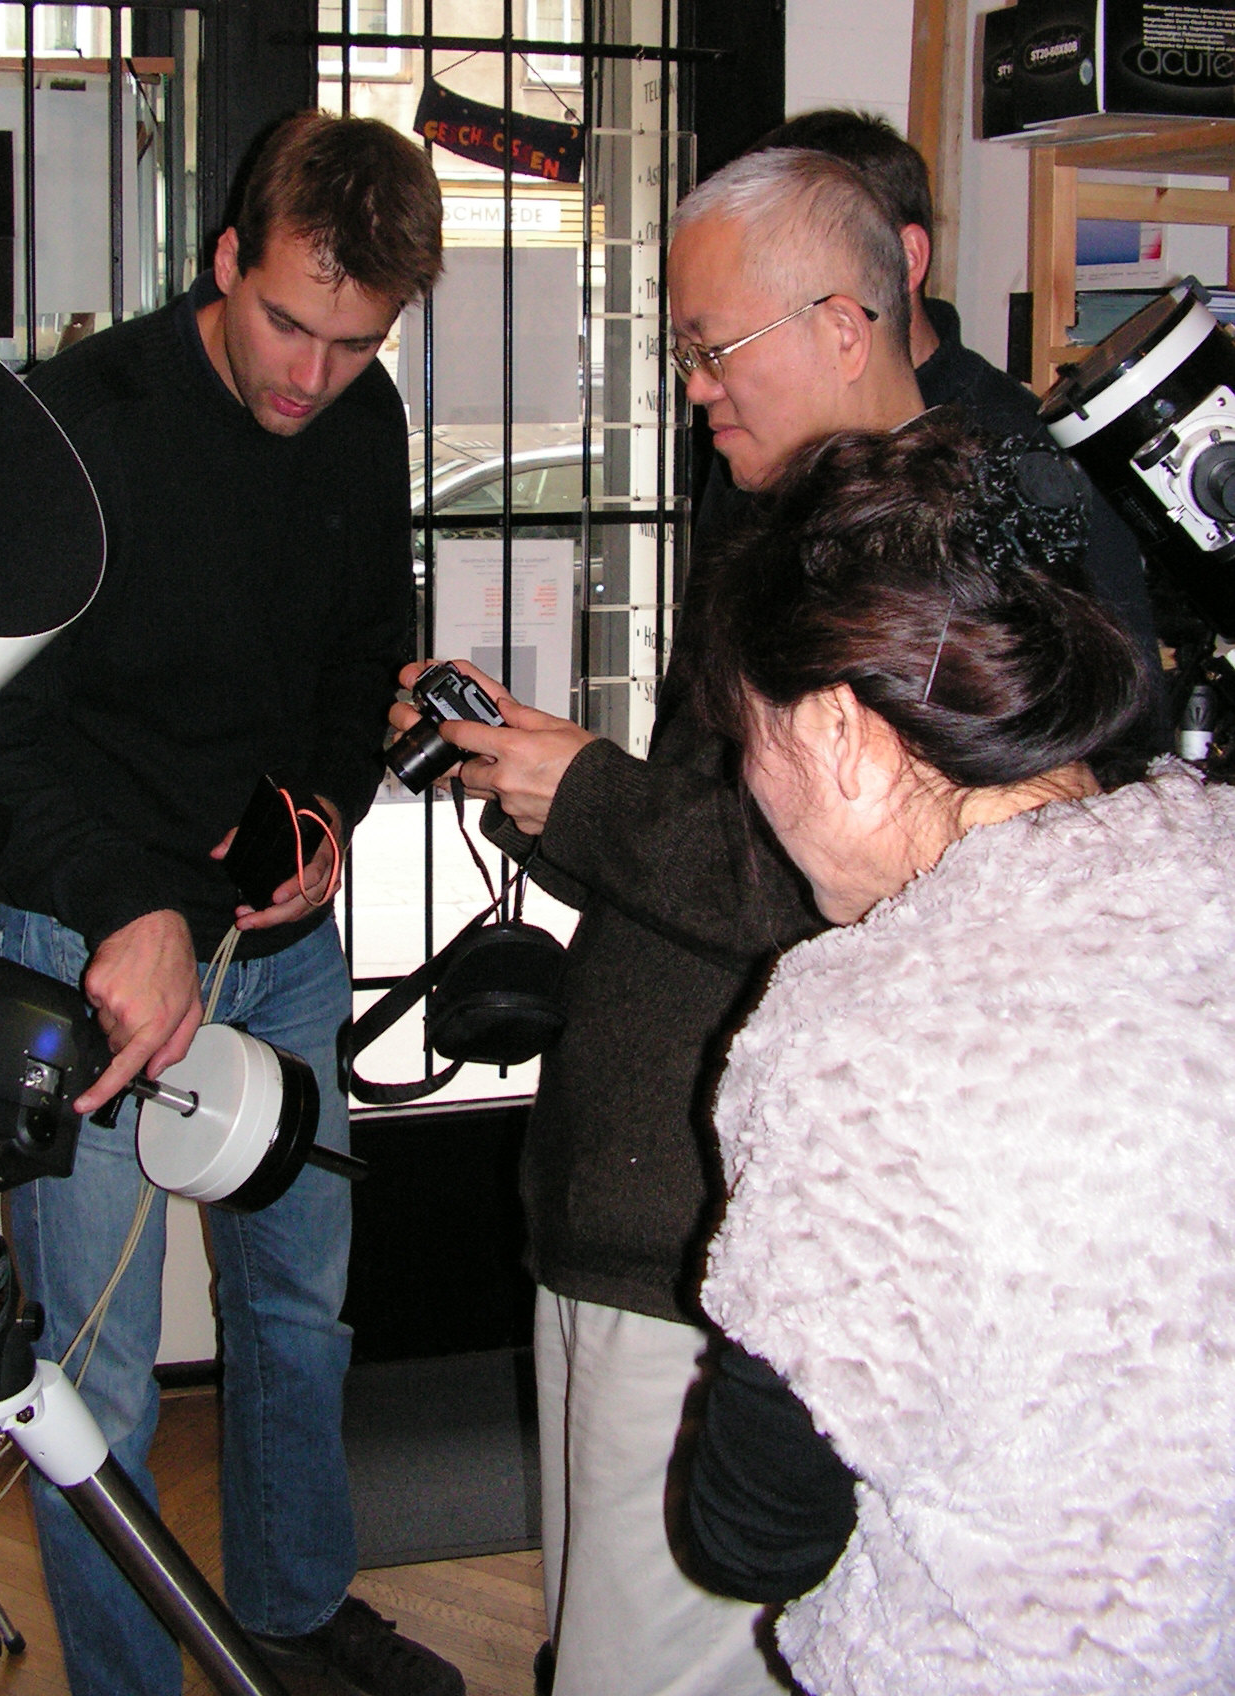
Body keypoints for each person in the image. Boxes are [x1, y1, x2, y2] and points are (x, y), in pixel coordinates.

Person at [392, 148, 934, 1696]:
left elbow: (828, 888)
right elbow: (702, 852)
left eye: (712, 347)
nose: (691, 389)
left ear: (843, 323)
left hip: (712, 1243)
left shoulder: (926, 565)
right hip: (621, 1210)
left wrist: (586, 793)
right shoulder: (787, 531)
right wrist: (544, 791)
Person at [0, 112, 460, 1696]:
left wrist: (331, 811)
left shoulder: (363, 416)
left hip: (279, 943)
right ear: (227, 256)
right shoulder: (80, 421)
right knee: (93, 1372)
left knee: (299, 1309)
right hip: (88, 947)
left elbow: (358, 654)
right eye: (289, 325)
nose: (314, 377)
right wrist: (132, 906)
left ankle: (292, 1622)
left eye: (355, 342)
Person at [689, 411, 1235, 1694]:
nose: (751, 786)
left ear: (837, 730)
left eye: (748, 738)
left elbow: (753, 1532)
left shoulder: (855, 1041)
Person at [704, 107, 1165, 701]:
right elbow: (705, 691)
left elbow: (1119, 719)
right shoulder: (754, 431)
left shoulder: (1019, 463)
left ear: (904, 260)